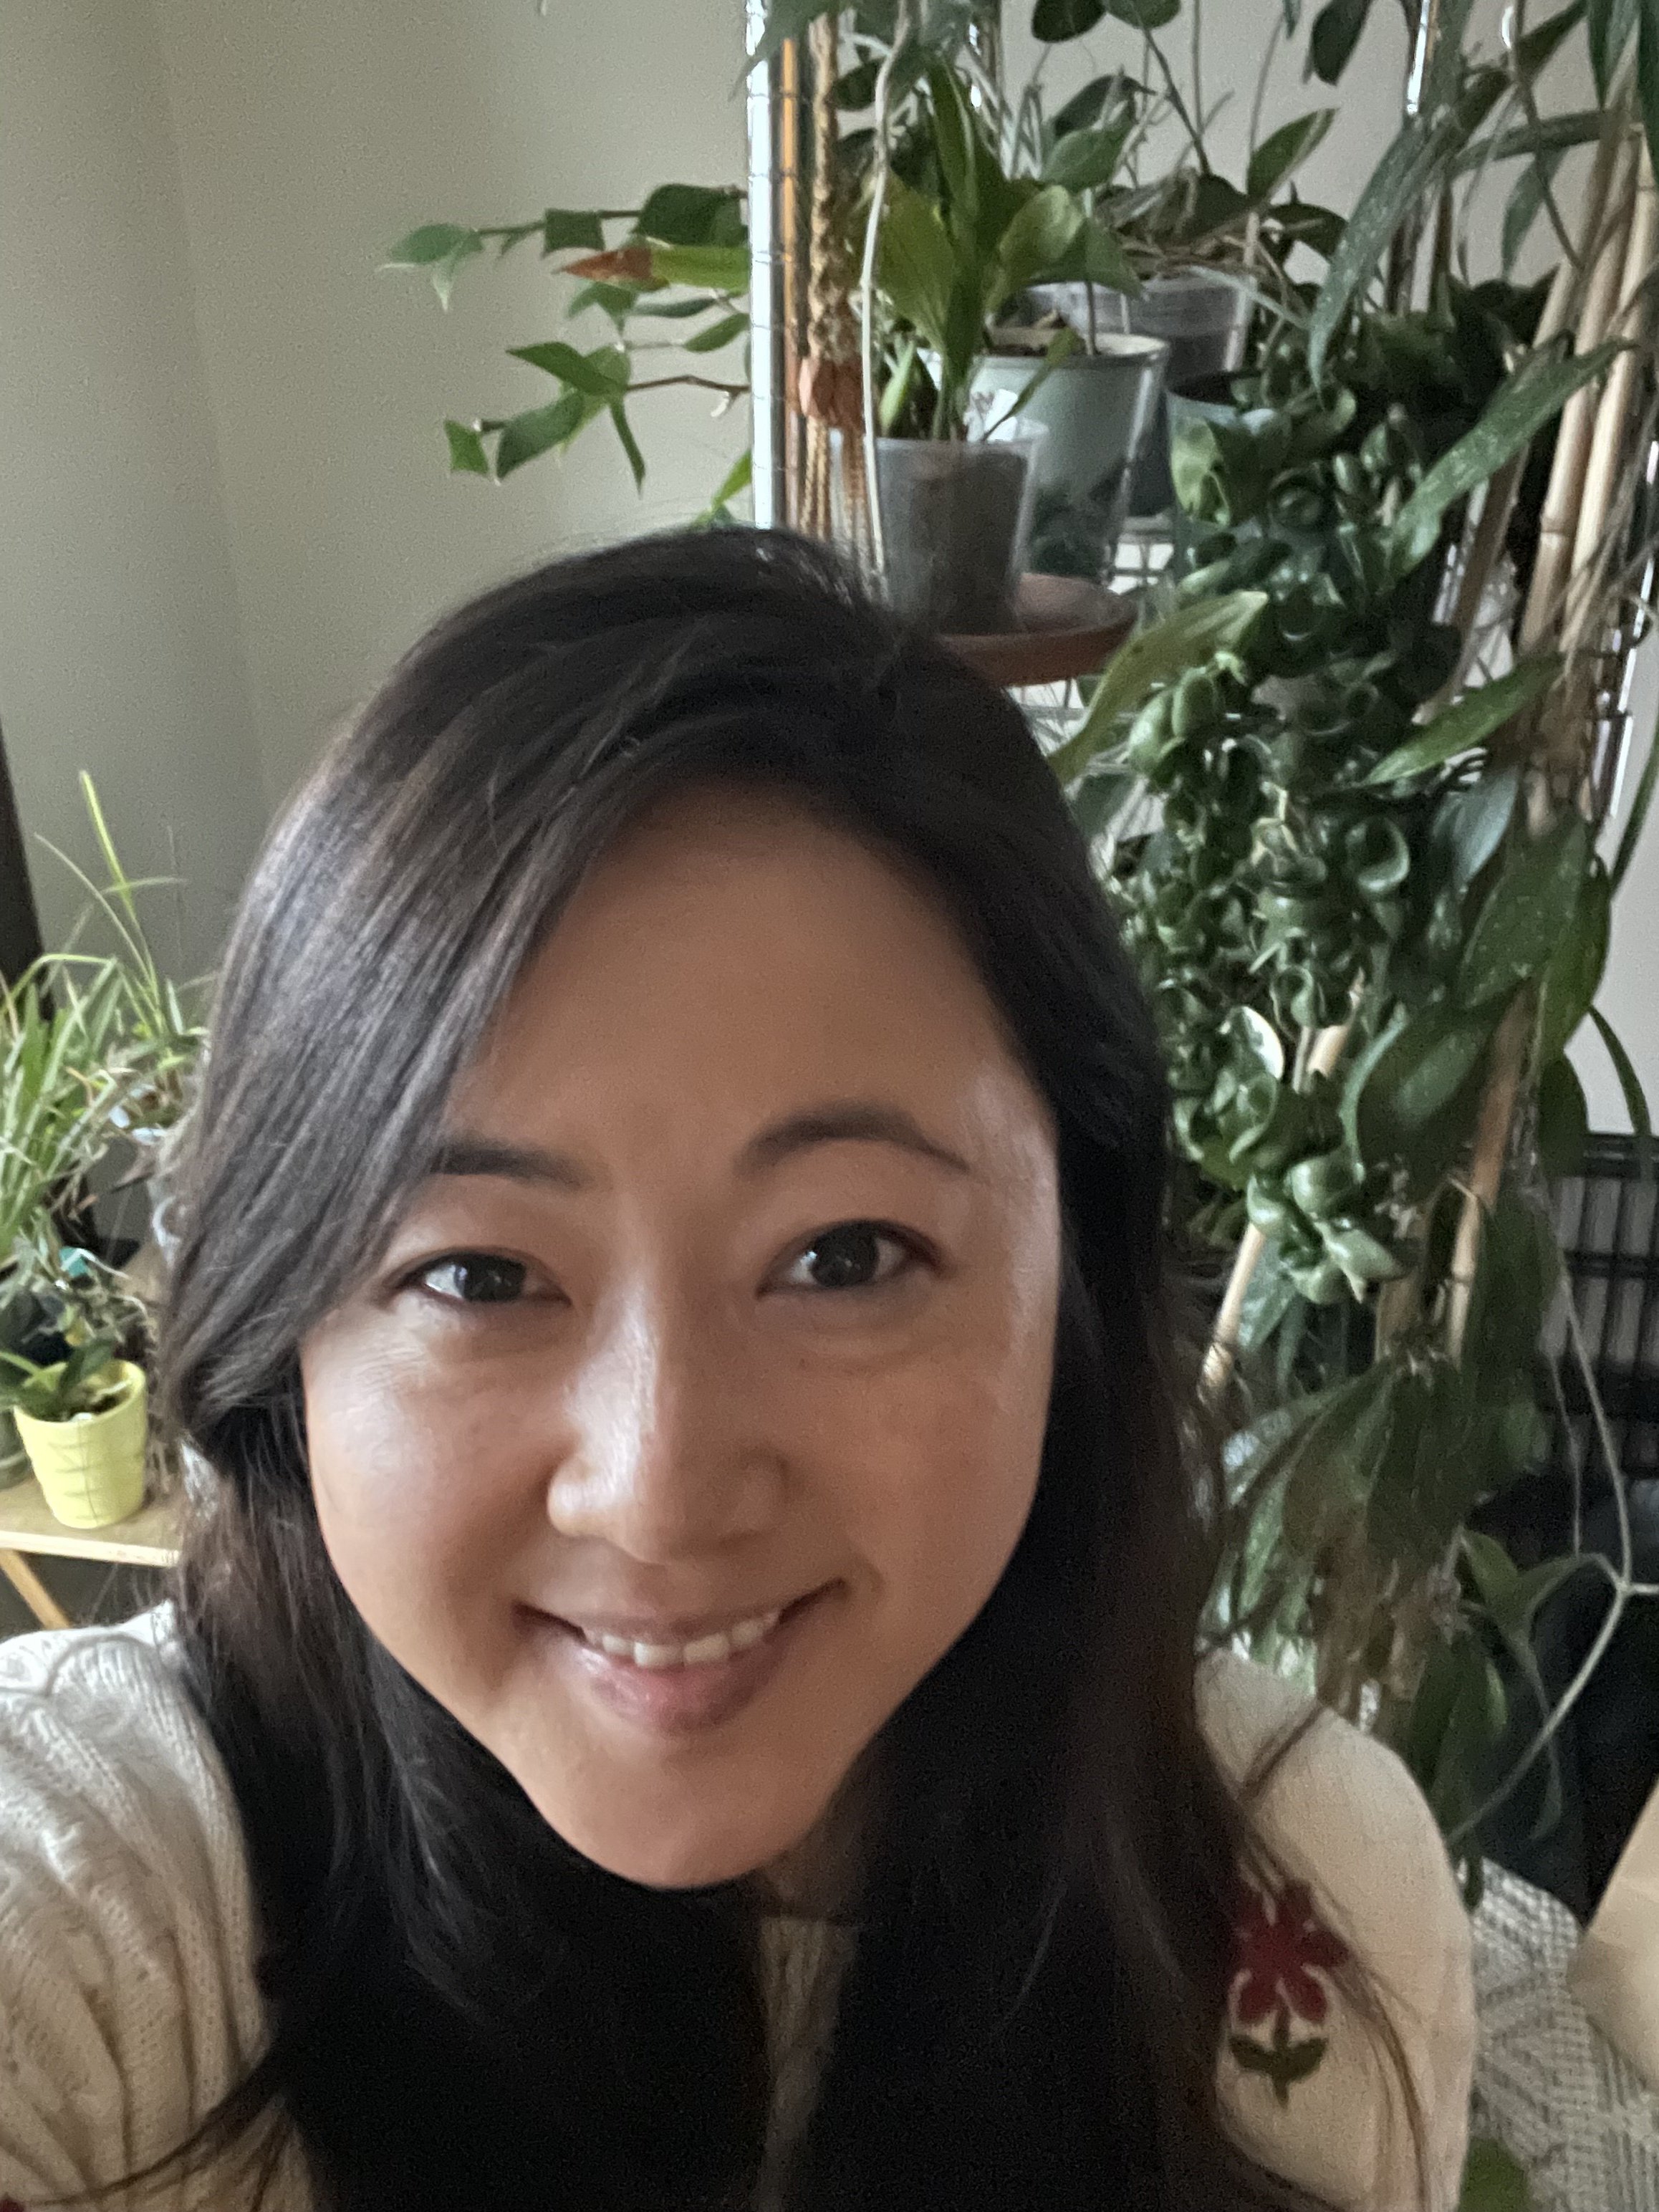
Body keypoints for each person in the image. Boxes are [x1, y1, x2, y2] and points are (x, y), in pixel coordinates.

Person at [0, 531, 1473, 2212]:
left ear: (1077, 1263)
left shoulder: (1307, 1905)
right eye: (480, 1273)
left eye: (845, 1254)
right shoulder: (97, 1915)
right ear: (289, 1326)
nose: (660, 1486)